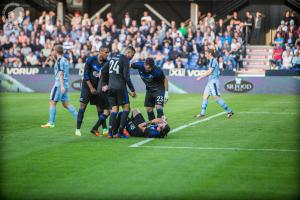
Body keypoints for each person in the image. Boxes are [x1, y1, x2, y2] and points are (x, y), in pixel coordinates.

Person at [101, 46, 136, 138]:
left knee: (114, 109)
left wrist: (105, 83)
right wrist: (132, 89)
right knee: (126, 108)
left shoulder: (113, 57)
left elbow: (103, 70)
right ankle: (120, 132)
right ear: (128, 52)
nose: (131, 58)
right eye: (132, 55)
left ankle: (110, 133)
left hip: (111, 87)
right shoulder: (125, 60)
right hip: (120, 88)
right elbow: (126, 77)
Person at [75, 47, 110, 136]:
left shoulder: (107, 63)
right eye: (106, 52)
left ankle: (105, 129)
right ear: (101, 52)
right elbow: (85, 75)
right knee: (83, 105)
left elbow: (107, 77)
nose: (107, 54)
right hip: (87, 86)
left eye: (108, 53)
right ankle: (78, 129)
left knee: (100, 108)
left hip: (98, 88)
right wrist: (91, 88)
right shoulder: (91, 60)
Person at [41, 45, 78, 128]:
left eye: (53, 50)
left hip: (59, 84)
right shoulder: (64, 60)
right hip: (66, 84)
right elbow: (60, 67)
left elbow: (60, 73)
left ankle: (51, 123)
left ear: (56, 51)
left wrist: (61, 86)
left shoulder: (59, 61)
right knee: (66, 104)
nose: (52, 52)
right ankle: (78, 118)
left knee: (52, 102)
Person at [195, 50, 233, 118]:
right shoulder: (211, 61)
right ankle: (202, 113)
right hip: (210, 82)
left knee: (216, 98)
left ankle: (229, 111)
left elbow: (210, 71)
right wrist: (203, 73)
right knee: (205, 96)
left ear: (210, 54)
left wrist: (201, 77)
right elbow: (209, 70)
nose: (205, 55)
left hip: (214, 82)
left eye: (206, 54)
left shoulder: (213, 60)